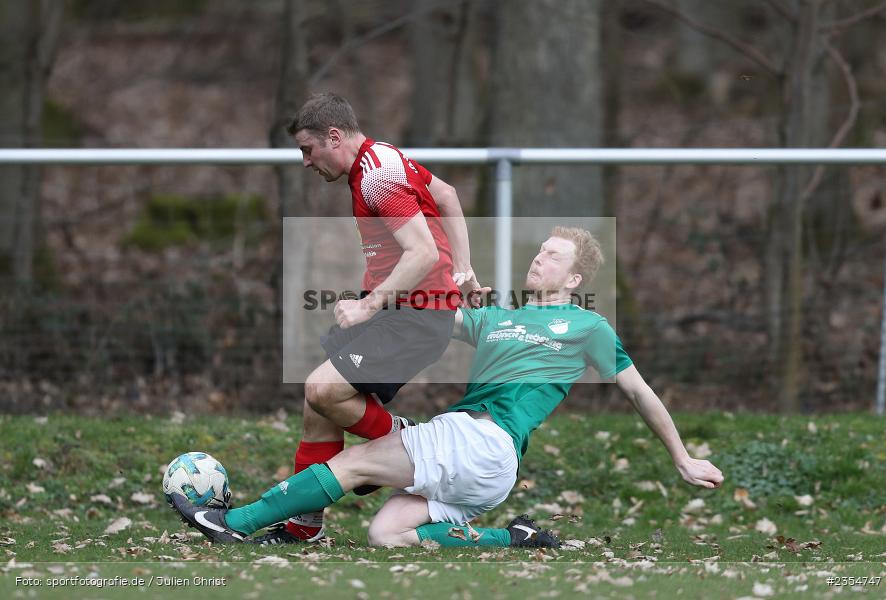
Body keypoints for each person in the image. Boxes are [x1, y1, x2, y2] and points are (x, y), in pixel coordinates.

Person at [171, 227, 725, 548]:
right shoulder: (498, 317)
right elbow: (433, 317)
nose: (540, 256)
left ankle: (234, 524)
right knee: (386, 535)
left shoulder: (588, 326)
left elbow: (639, 392)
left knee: (356, 466)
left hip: (485, 443)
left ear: (574, 281)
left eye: (554, 256)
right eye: (541, 249)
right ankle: (515, 539)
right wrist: (384, 298)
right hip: (486, 473)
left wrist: (681, 456)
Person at [269, 92, 482, 544]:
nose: (306, 162)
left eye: (308, 150)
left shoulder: (376, 177)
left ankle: (396, 439)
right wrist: (463, 271)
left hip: (415, 314)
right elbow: (446, 195)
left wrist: (368, 305)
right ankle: (303, 525)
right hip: (397, 307)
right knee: (318, 401)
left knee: (323, 388)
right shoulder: (382, 155)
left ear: (333, 136)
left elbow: (422, 252)